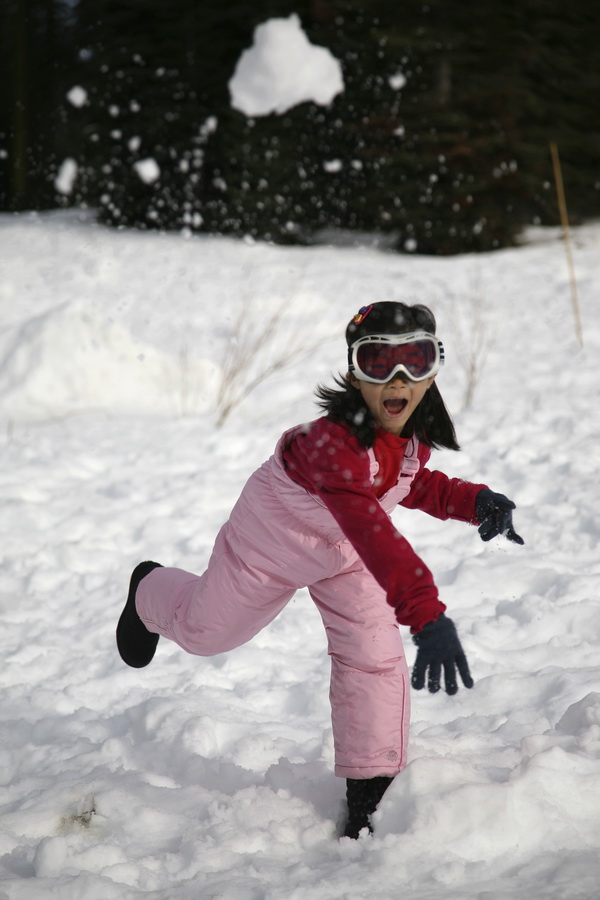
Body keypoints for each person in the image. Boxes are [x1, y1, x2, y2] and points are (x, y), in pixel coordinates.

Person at [117, 301, 524, 839]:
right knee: (205, 632)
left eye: (416, 360)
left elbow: (407, 484)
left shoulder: (410, 435)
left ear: (434, 369)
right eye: (380, 362)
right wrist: (426, 614)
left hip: (349, 554)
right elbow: (370, 525)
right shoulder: (331, 444)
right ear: (356, 372)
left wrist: (474, 501)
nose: (399, 378)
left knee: (373, 657)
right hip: (274, 541)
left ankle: (371, 788)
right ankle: (148, 587)